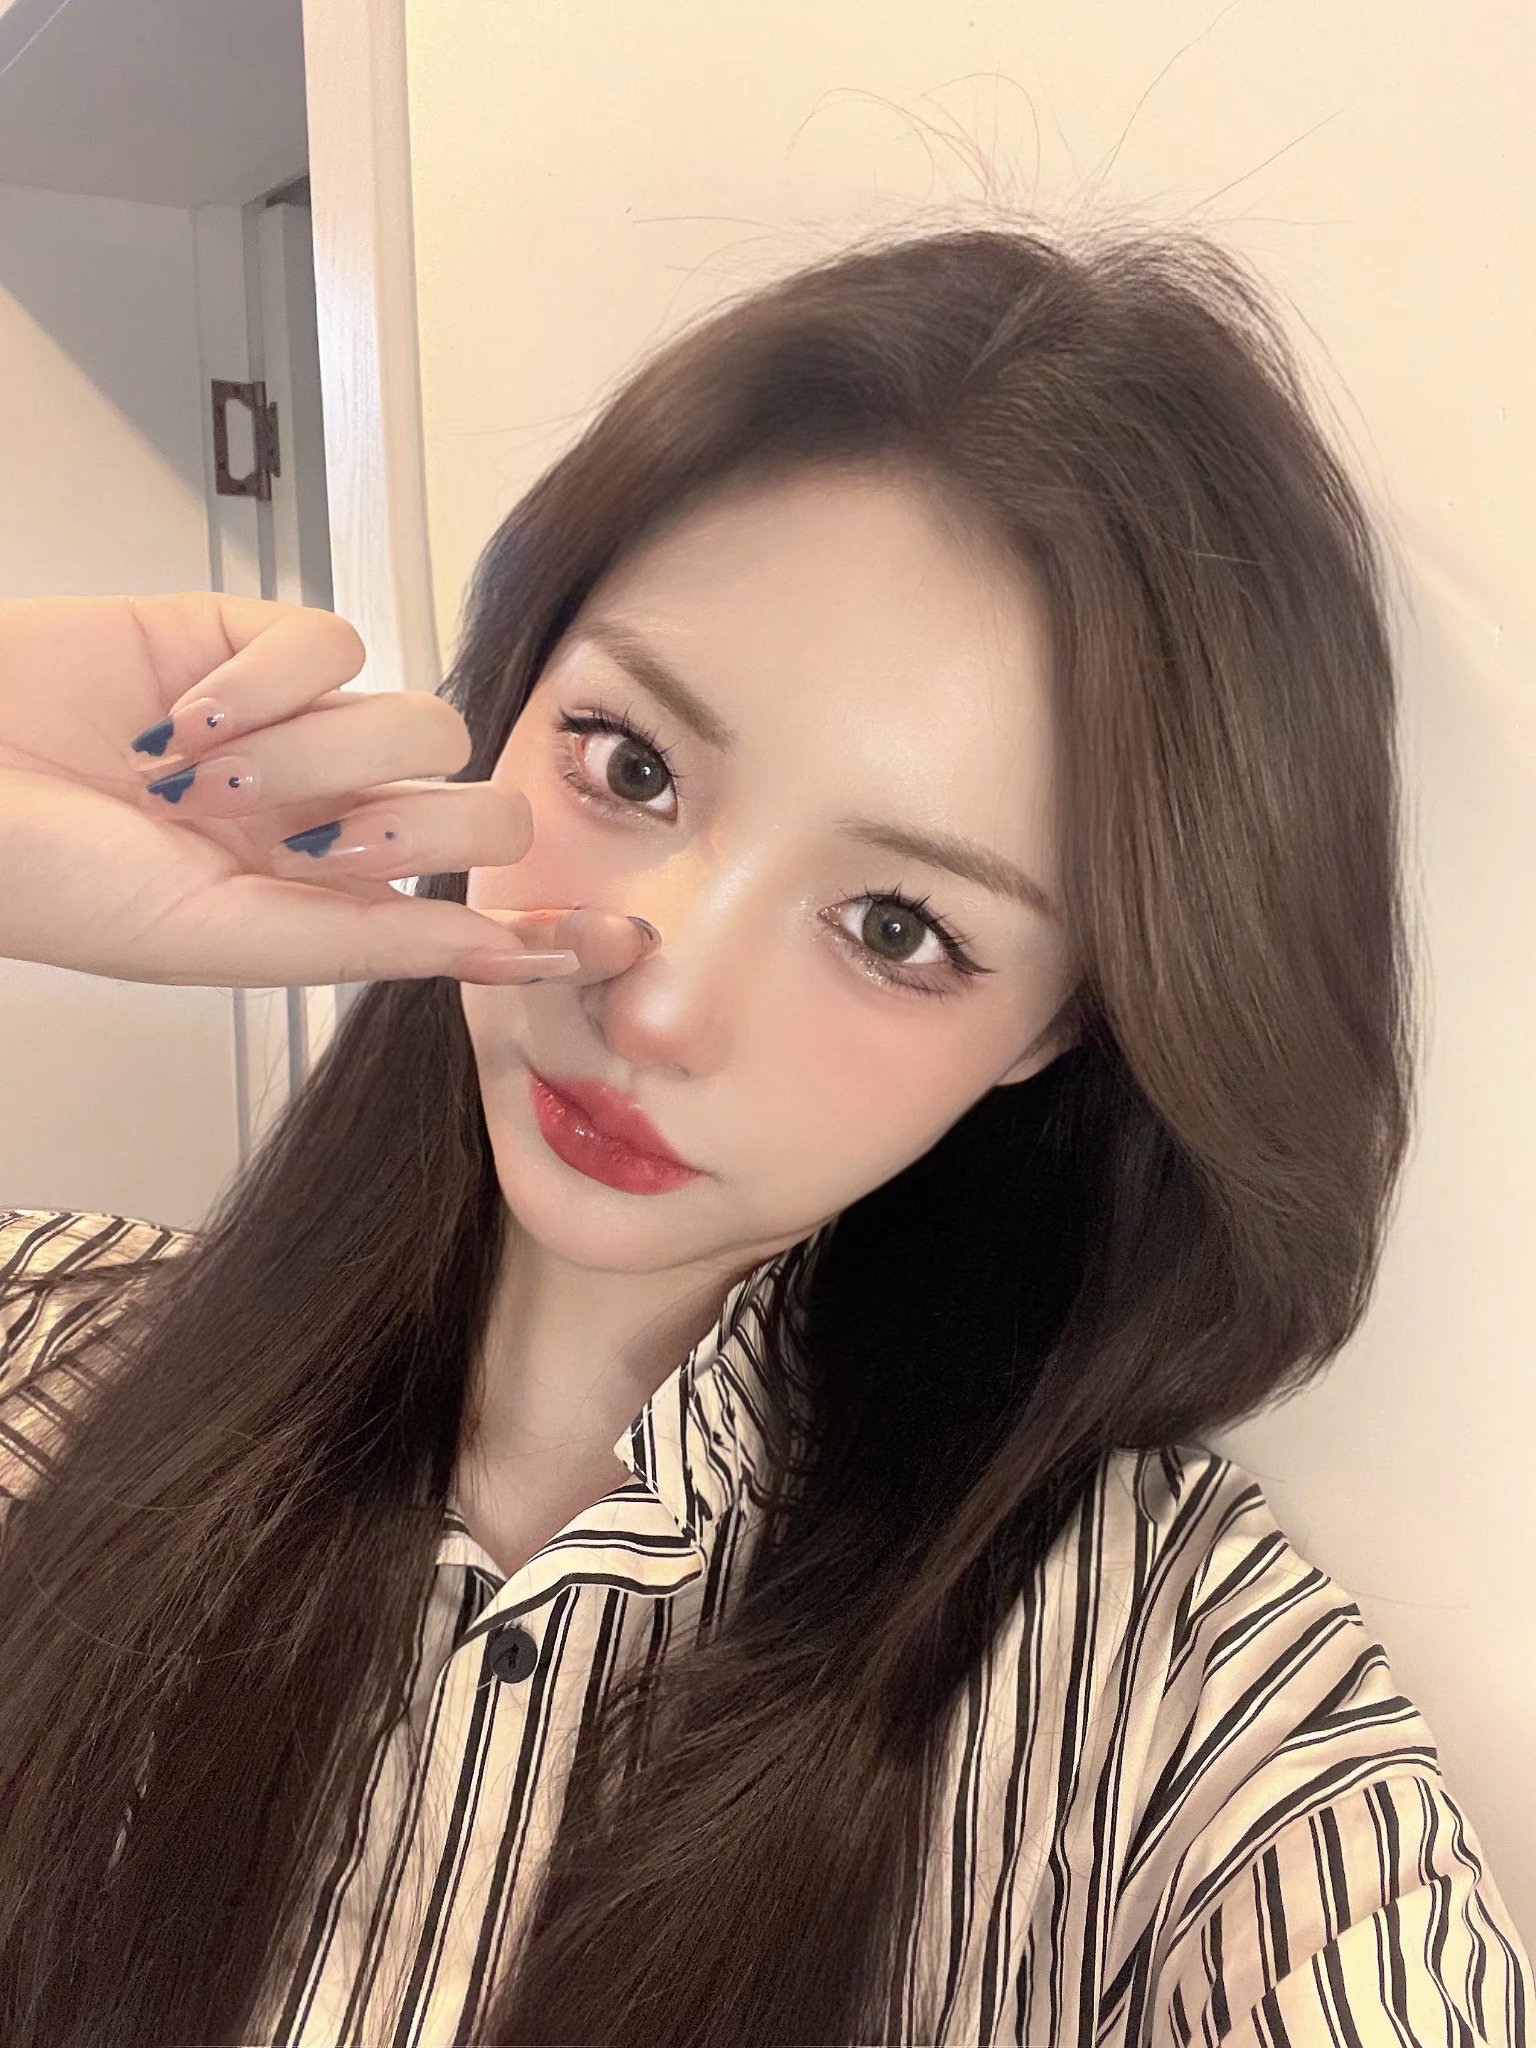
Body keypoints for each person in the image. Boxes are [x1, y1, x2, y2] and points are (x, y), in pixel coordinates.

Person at [0, 222, 1529, 2048]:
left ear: (1060, 1028)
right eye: (632, 764)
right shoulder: (43, 1353)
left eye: (897, 926)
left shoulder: (1172, 1697)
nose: (660, 1003)